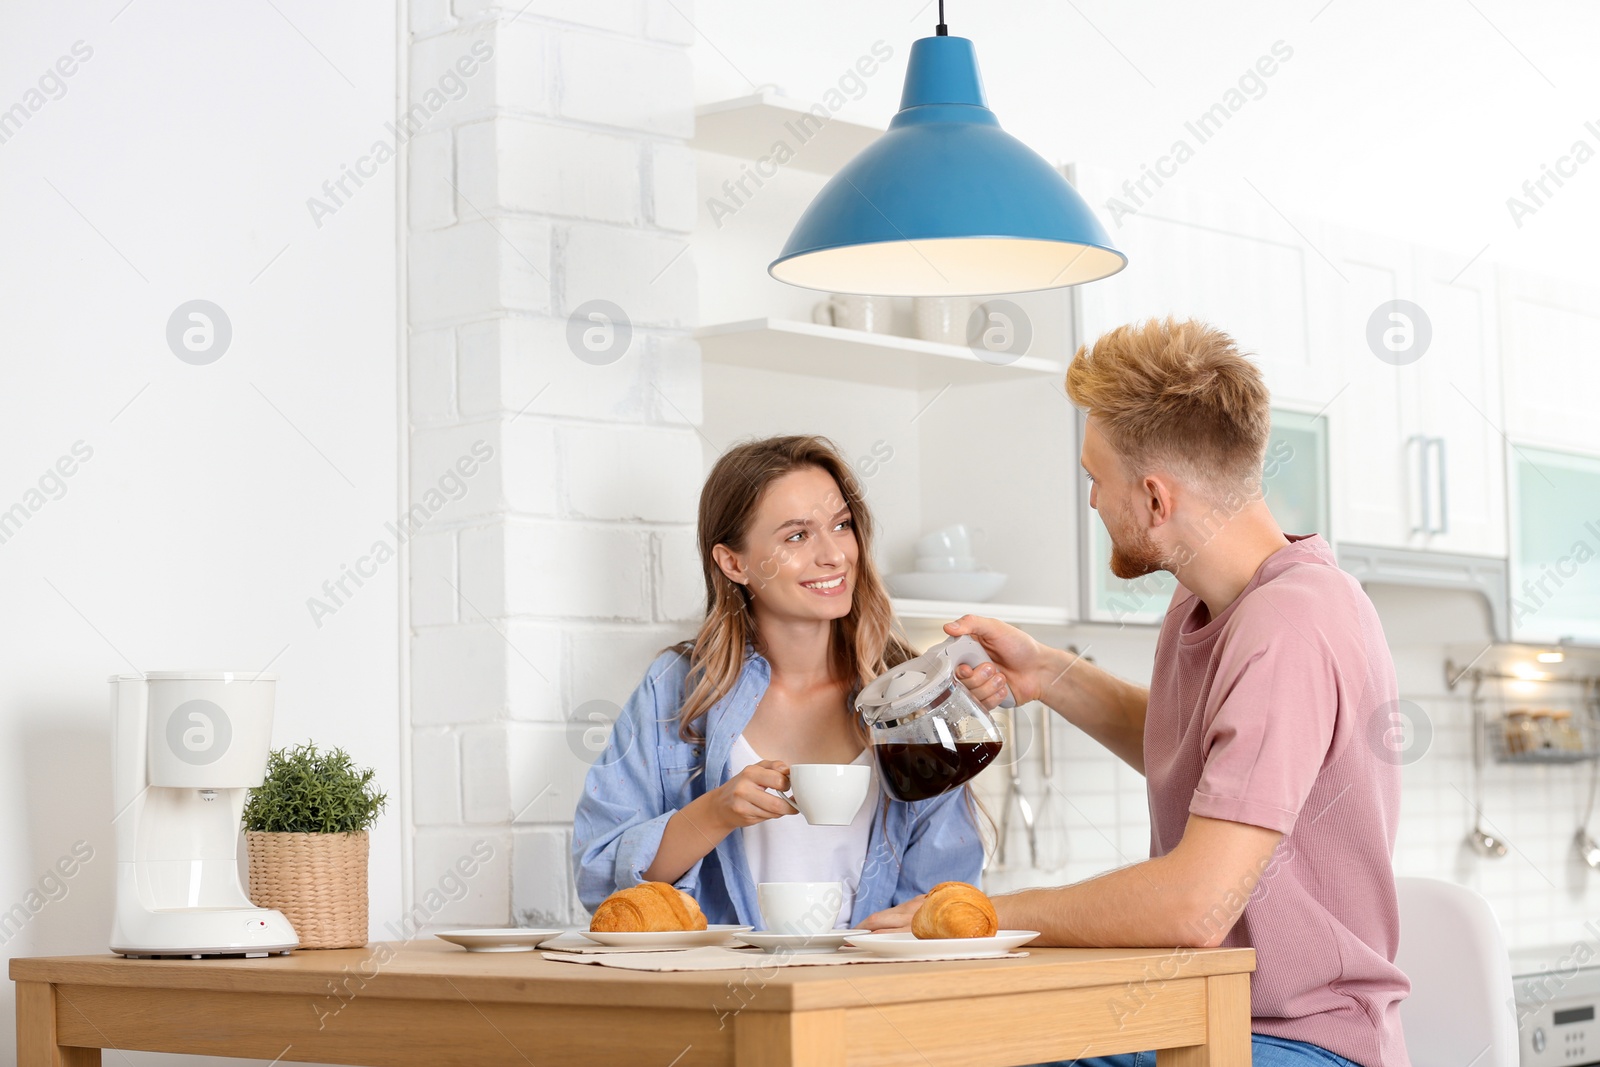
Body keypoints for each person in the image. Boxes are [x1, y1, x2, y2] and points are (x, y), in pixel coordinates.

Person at [864, 319, 1409, 1067]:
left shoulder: (1293, 623)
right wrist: (1048, 673)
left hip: (1303, 1041)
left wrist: (982, 916)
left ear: (1155, 498)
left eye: (1096, 476)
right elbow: (1209, 746)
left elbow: (1195, 905)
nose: (1091, 500)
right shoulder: (1206, 602)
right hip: (1208, 1015)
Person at [573, 435, 984, 931]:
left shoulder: (905, 691)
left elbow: (945, 889)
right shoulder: (677, 690)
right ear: (733, 563)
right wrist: (715, 813)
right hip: (723, 995)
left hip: (875, 986)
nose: (834, 555)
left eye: (841, 526)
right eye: (797, 536)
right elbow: (601, 881)